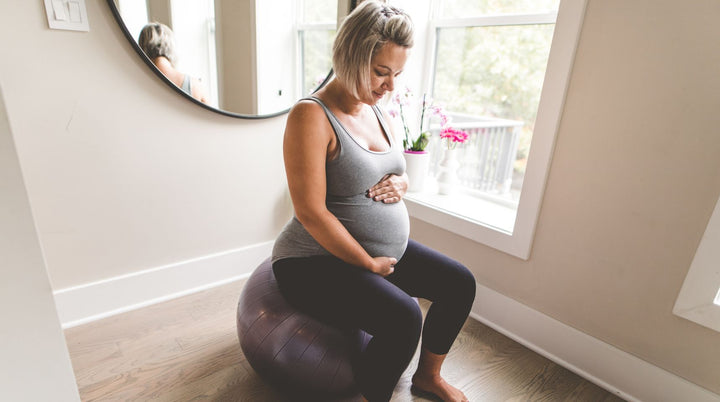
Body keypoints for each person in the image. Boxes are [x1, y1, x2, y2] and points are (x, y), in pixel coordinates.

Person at [271, 1, 475, 401]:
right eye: (381, 72)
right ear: (349, 57)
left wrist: (401, 184)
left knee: (459, 283)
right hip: (313, 261)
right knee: (403, 317)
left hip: (374, 253)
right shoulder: (310, 116)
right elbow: (309, 211)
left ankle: (427, 377)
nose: (390, 86)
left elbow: (387, 168)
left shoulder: (376, 109)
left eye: (397, 73)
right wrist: (367, 263)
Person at [137, 22, 209, 104]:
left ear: (141, 48)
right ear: (171, 46)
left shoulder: (135, 86)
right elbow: (211, 116)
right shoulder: (195, 86)